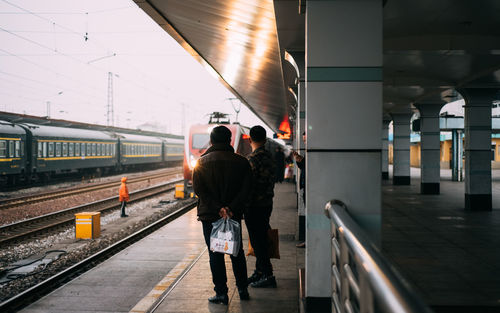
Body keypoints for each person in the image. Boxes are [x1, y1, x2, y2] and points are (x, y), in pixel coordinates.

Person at [192, 125, 252, 305]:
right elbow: (247, 189)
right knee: (236, 252)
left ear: (211, 141)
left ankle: (221, 293)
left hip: (210, 216)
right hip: (233, 215)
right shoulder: (242, 162)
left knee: (215, 254)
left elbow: (199, 190)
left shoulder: (201, 163)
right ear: (230, 141)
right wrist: (231, 208)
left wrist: (218, 208)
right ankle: (242, 289)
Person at [245, 125, 277, 288]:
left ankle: (267, 275)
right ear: (265, 139)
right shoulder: (270, 157)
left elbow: (248, 185)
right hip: (267, 203)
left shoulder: (252, 159)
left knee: (258, 241)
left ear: (250, 139)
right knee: (261, 237)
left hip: (254, 206)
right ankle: (259, 272)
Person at [293, 132, 306, 248]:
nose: (305, 142)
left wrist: (300, 160)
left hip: (310, 188)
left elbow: (308, 167)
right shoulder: (308, 153)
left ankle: (308, 239)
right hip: (306, 187)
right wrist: (299, 160)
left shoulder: (311, 153)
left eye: (305, 140)